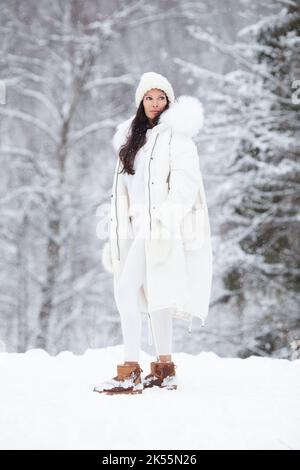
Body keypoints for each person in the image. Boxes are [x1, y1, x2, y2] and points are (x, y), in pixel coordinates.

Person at [94, 72, 213, 395]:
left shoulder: (179, 138)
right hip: (132, 228)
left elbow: (185, 187)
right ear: (140, 102)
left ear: (169, 101)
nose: (155, 103)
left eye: (161, 97)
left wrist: (163, 222)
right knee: (155, 297)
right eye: (149, 97)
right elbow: (124, 190)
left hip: (157, 227)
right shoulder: (131, 140)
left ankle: (130, 370)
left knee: (125, 291)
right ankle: (164, 369)